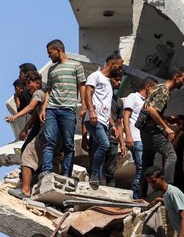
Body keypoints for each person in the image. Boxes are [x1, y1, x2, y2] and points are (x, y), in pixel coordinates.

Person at [39, 39, 87, 178]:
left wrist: (84, 106)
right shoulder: (52, 69)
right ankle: (46, 171)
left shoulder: (76, 66)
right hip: (52, 109)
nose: (49, 56)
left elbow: (82, 86)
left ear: (58, 50)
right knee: (49, 141)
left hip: (68, 110)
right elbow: (48, 90)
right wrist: (44, 109)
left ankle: (66, 174)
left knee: (68, 145)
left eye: (50, 53)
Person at [140, 68, 184, 193]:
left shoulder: (158, 87)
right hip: (150, 130)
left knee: (147, 164)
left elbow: (151, 110)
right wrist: (167, 128)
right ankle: (169, 189)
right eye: (183, 79)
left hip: (145, 130)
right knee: (171, 155)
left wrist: (166, 119)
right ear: (176, 77)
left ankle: (141, 195)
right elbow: (151, 110)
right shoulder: (164, 90)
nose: (183, 82)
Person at [81, 55, 121, 189]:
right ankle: (94, 175)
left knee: (99, 148)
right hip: (94, 119)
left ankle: (95, 179)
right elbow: (88, 93)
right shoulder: (95, 76)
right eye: (119, 67)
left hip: (104, 121)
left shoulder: (109, 83)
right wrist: (91, 111)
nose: (120, 70)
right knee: (105, 144)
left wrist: (112, 125)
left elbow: (106, 106)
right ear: (112, 64)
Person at [5, 70, 44, 199]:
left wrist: (15, 116)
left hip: (45, 130)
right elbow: (34, 115)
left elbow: (31, 107)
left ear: (37, 83)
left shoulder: (38, 93)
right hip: (48, 130)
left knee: (27, 153)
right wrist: (25, 129)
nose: (27, 87)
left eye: (29, 83)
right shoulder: (41, 93)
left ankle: (25, 190)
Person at [122, 78, 158, 199]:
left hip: (145, 140)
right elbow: (126, 117)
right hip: (136, 138)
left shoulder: (148, 102)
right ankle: (136, 197)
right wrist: (129, 136)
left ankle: (142, 196)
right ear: (148, 87)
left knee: (146, 170)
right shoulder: (133, 97)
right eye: (154, 89)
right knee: (141, 168)